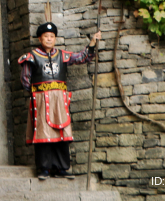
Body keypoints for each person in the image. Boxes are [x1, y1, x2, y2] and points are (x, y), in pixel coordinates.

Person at [18, 21, 102, 180]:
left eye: (52, 36)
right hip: (41, 101)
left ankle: (62, 168)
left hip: (60, 101)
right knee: (43, 134)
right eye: (46, 36)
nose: (49, 39)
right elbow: (25, 79)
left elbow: (82, 57)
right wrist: (38, 95)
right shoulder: (32, 57)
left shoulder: (62, 55)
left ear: (55, 38)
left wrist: (92, 43)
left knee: (61, 133)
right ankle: (43, 169)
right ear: (40, 39)